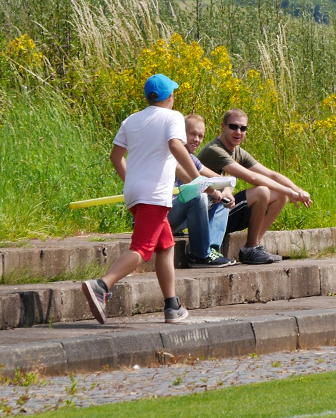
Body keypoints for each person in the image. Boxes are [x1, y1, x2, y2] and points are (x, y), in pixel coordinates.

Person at [81, 74, 198, 324]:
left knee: (165, 246)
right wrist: (199, 178)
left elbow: (116, 156)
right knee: (143, 249)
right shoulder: (173, 117)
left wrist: (132, 183)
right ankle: (102, 285)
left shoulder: (131, 120)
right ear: (170, 96)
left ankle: (172, 306)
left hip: (135, 193)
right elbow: (177, 147)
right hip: (154, 196)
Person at [197, 108, 312, 265]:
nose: (239, 131)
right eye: (233, 127)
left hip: (223, 207)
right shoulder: (215, 150)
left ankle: (253, 247)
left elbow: (270, 174)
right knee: (262, 192)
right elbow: (252, 177)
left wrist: (297, 190)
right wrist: (291, 192)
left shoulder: (237, 151)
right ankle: (251, 248)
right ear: (223, 126)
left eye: (243, 128)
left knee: (280, 196)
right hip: (208, 213)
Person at [168, 114, 236, 268]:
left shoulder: (192, 159)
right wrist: (212, 191)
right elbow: (192, 181)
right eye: (192, 134)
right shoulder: (171, 153)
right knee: (200, 196)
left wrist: (226, 191)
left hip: (178, 213)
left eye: (200, 136)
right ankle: (200, 256)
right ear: (180, 133)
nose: (197, 139)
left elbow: (221, 179)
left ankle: (211, 249)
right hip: (163, 215)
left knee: (222, 200)